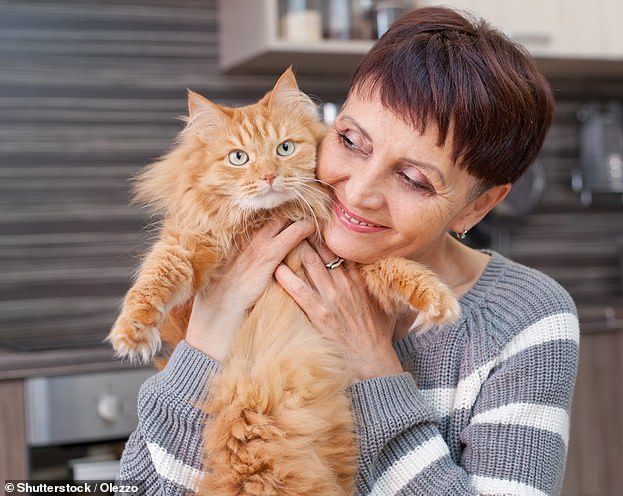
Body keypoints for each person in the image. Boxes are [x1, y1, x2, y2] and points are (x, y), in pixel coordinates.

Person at [117, 6, 579, 495]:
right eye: (351, 140)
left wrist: (375, 370)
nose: (357, 194)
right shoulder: (254, 251)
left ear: (478, 206)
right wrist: (212, 329)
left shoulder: (525, 319)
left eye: (413, 178)